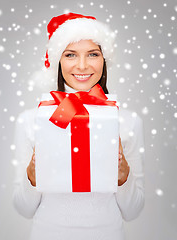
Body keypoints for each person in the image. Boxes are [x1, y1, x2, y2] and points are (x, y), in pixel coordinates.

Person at [13, 12, 145, 240]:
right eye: (71, 54)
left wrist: (124, 176)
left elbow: (133, 212)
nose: (82, 66)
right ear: (58, 61)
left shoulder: (128, 121)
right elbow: (23, 209)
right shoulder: (31, 120)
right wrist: (32, 176)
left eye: (93, 54)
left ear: (104, 60)